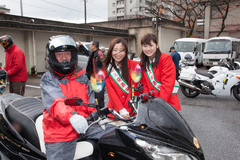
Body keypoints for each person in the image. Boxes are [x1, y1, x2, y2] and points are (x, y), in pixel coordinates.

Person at [40, 35, 96, 160]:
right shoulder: (48, 79)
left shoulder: (81, 76)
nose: (64, 58)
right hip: (60, 133)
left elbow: (91, 101)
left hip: (86, 127)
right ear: (52, 57)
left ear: (73, 55)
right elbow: (56, 102)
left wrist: (99, 115)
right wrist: (72, 116)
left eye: (67, 54)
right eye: (59, 55)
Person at [140, 34, 181, 111]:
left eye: (151, 45)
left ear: (157, 45)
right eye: (145, 46)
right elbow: (144, 84)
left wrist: (159, 104)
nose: (148, 49)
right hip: (150, 104)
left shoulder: (165, 59)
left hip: (166, 103)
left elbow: (167, 84)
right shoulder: (143, 63)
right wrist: (146, 101)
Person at [103, 37, 140, 119]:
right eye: (115, 50)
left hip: (131, 108)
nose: (118, 53)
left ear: (126, 51)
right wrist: (121, 110)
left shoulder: (135, 65)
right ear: (111, 51)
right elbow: (111, 92)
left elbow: (135, 89)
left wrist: (126, 110)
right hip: (114, 109)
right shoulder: (107, 68)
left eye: (121, 50)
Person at [78, 40, 105, 108]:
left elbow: (104, 64)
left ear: (94, 46)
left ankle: (101, 108)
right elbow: (87, 52)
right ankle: (97, 107)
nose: (90, 46)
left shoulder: (99, 53)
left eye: (90, 45)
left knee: (100, 93)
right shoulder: (93, 53)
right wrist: (81, 45)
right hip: (93, 76)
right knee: (95, 92)